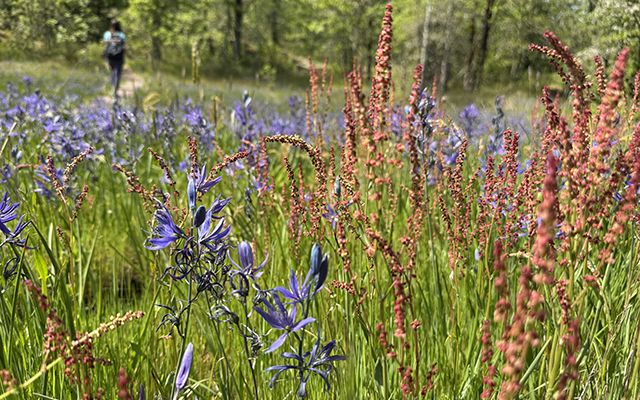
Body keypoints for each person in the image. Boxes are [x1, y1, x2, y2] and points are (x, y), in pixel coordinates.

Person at [103, 19, 126, 99]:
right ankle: (115, 89)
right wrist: (130, 56)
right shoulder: (121, 35)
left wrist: (104, 55)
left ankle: (113, 87)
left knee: (113, 71)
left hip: (110, 56)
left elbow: (105, 46)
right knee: (117, 72)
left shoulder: (107, 34)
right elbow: (124, 47)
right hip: (119, 57)